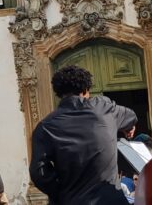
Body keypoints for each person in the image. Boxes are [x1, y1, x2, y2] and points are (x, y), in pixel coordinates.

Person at [30, 64, 137, 203]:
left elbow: (38, 173)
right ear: (86, 89)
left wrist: (62, 193)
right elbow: (131, 116)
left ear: (58, 93)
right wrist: (127, 127)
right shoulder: (105, 109)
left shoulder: (45, 126)